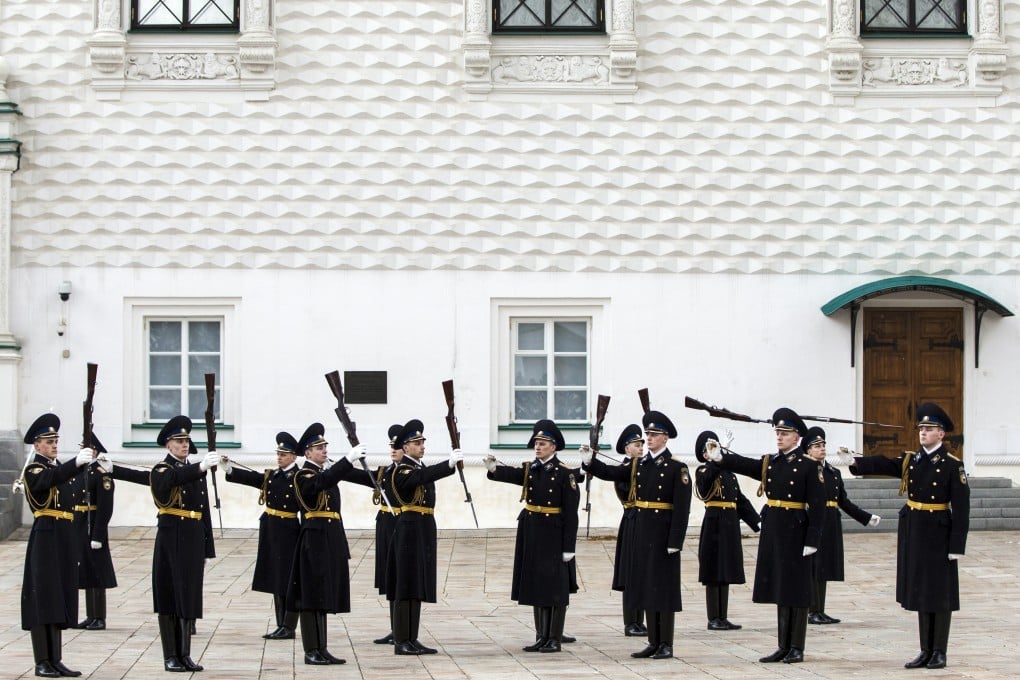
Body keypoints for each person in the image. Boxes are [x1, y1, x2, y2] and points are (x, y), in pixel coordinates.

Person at [848, 403, 969, 670]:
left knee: (939, 593)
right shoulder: (912, 460)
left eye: (929, 429)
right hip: (915, 529)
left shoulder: (952, 465)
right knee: (922, 592)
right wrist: (856, 462)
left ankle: (939, 651)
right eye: (921, 428)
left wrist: (957, 545)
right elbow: (886, 463)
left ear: (942, 434)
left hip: (939, 531)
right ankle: (925, 650)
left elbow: (962, 509)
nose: (923, 433)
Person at [703, 407, 825, 664]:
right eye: (777, 432)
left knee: (797, 590)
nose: (779, 437)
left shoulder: (808, 466)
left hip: (797, 530)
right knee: (781, 588)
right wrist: (720, 457)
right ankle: (783, 645)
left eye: (785, 433)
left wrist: (813, 540)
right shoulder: (772, 462)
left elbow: (818, 506)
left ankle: (797, 647)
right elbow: (747, 465)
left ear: (797, 437)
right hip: (776, 531)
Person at [582, 411, 692, 660]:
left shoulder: (677, 468)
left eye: (653, 435)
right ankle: (653, 641)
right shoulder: (638, 465)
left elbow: (682, 509)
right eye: (648, 435)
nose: (649, 439)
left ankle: (666, 643)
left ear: (665, 438)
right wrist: (590, 461)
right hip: (642, 533)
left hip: (663, 535)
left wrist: (676, 541)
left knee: (662, 590)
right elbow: (612, 473)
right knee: (647, 588)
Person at [485, 419, 579, 653]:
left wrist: (569, 547)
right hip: (533, 531)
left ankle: (554, 638)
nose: (538, 447)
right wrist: (495, 468)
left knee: (555, 588)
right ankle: (541, 635)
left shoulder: (564, 474)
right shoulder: (532, 469)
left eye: (543, 443)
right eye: (536, 443)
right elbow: (514, 475)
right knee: (538, 584)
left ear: (554, 446)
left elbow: (571, 514)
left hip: (554, 534)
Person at [287, 422, 366, 665]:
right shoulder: (302, 475)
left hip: (330, 537)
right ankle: (311, 649)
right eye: (318, 448)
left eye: (324, 446)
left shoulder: (325, 472)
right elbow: (318, 486)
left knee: (323, 596)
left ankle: (322, 648)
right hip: (314, 538)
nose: (323, 451)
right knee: (311, 597)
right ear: (307, 453)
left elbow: (335, 479)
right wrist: (346, 460)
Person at [20, 413, 92, 678]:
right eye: (48, 441)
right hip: (46, 536)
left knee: (59, 596)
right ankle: (42, 661)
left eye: (55, 441)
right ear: (37, 445)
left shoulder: (56, 468)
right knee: (43, 598)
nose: (53, 445)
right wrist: (75, 463)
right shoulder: (35, 470)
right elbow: (46, 483)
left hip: (63, 536)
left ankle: (56, 659)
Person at [385, 419, 461, 655]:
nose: (421, 445)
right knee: (405, 586)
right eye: (416, 443)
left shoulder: (418, 467)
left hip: (422, 527)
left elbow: (425, 475)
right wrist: (448, 464)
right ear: (405, 448)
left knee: (416, 584)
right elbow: (421, 478)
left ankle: (412, 638)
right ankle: (401, 640)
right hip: (409, 529)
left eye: (421, 441)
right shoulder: (403, 470)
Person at [149, 415, 218, 673]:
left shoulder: (192, 471)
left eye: (187, 440)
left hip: (192, 538)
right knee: (169, 596)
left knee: (188, 596)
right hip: (171, 536)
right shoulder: (162, 470)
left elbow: (203, 511)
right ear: (168, 445)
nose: (184, 445)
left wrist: (207, 546)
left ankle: (185, 654)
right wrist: (200, 467)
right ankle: (171, 655)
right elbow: (170, 481)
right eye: (178, 441)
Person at [221, 432, 302, 640]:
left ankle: (289, 624)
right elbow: (254, 479)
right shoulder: (273, 476)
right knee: (276, 576)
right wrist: (230, 468)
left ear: (294, 456)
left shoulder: (299, 478)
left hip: (289, 530)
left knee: (288, 578)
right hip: (271, 529)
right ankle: (281, 623)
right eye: (278, 453)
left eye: (284, 454)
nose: (280, 457)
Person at [800, 426, 879, 625]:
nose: (822, 448)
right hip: (812, 519)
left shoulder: (833, 472)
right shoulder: (804, 470)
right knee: (813, 566)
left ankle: (820, 609)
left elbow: (843, 501)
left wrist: (866, 518)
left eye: (823, 445)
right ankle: (811, 610)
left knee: (824, 566)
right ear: (808, 451)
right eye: (816, 446)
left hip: (830, 520)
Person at [340, 423, 404, 646]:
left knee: (401, 579)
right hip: (386, 525)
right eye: (391, 446)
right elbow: (358, 477)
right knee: (390, 579)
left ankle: (402, 630)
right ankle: (396, 629)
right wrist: (342, 465)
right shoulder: (385, 471)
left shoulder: (409, 471)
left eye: (398, 446)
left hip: (400, 524)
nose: (393, 450)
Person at [582, 423, 647, 637]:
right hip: (632, 520)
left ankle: (640, 620)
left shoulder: (644, 466)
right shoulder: (627, 468)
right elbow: (608, 472)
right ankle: (631, 622)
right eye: (637, 445)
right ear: (627, 449)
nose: (641, 448)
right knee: (631, 573)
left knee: (643, 573)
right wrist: (590, 461)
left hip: (645, 521)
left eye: (641, 445)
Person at [693, 430, 760, 631]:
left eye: (716, 447)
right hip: (714, 522)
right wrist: (715, 461)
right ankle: (713, 617)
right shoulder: (703, 471)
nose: (714, 452)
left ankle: (723, 616)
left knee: (726, 569)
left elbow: (741, 501)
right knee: (713, 571)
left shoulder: (729, 475)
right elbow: (704, 487)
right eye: (710, 450)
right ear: (704, 455)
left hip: (729, 524)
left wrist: (758, 523)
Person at [72, 435, 116, 632]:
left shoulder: (101, 474)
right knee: (87, 571)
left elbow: (105, 508)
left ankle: (99, 617)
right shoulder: (82, 470)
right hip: (81, 525)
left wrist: (98, 535)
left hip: (94, 526)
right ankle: (90, 615)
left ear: (95, 451)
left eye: (86, 448)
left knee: (97, 573)